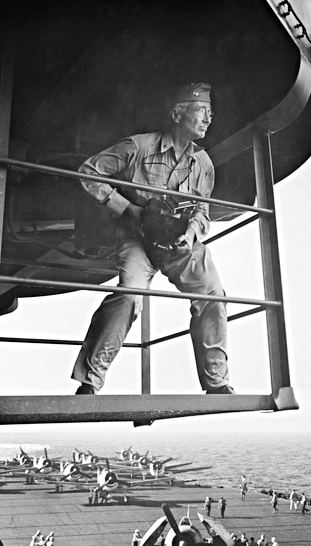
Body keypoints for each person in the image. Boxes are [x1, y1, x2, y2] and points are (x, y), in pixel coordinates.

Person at [71, 82, 234, 396]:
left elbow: (202, 210)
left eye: (210, 113)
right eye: (201, 111)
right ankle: (90, 381)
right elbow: (88, 171)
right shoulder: (138, 147)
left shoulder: (203, 165)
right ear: (177, 113)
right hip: (137, 240)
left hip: (179, 244)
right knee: (129, 297)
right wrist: (126, 209)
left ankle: (217, 382)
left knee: (213, 294)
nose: (207, 119)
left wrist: (190, 234)